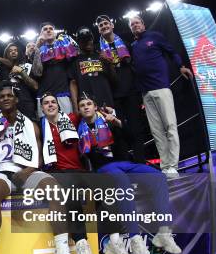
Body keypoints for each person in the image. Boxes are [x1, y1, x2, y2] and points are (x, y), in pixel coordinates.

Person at [0, 82, 75, 254]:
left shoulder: (31, 124)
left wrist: (28, 170)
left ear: (16, 99)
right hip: (2, 171)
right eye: (2, 97)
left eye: (9, 95)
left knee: (54, 189)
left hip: (27, 172)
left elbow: (39, 159)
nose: (6, 98)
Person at [76, 94, 182, 254]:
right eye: (82, 105)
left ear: (96, 107)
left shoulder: (109, 121)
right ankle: (135, 239)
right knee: (122, 183)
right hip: (104, 169)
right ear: (79, 110)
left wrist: (117, 122)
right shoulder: (78, 128)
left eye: (89, 103)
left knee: (158, 177)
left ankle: (163, 233)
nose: (86, 107)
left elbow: (133, 138)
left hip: (125, 164)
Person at [129, 16, 193, 175]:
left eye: (137, 22)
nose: (135, 25)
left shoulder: (155, 36)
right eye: (132, 24)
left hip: (161, 88)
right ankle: (166, 167)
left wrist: (181, 66)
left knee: (170, 127)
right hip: (145, 93)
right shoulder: (133, 45)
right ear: (130, 29)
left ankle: (174, 165)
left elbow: (172, 51)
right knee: (157, 132)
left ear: (143, 24)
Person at [38, 93, 96, 254]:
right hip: (58, 171)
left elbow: (88, 112)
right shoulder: (39, 126)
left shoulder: (71, 118)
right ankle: (81, 245)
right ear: (42, 108)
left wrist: (102, 112)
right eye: (46, 103)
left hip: (81, 170)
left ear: (58, 105)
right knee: (70, 194)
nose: (50, 105)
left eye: (53, 102)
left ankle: (117, 240)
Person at [96, 15, 146, 163]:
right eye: (101, 25)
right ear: (99, 30)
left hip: (131, 92)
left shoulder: (126, 43)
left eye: (106, 23)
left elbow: (135, 67)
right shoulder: (99, 50)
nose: (104, 26)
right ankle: (124, 165)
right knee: (118, 130)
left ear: (112, 25)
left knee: (136, 129)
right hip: (114, 96)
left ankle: (141, 164)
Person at [69, 26, 116, 111]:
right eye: (83, 40)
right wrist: (75, 108)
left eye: (89, 39)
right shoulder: (74, 61)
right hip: (86, 106)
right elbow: (73, 84)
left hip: (106, 103)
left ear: (92, 39)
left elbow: (114, 80)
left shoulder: (102, 56)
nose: (87, 42)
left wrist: (109, 64)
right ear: (79, 42)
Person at [4, 42, 42, 122]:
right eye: (10, 51)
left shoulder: (27, 66)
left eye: (15, 50)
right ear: (6, 54)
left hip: (26, 104)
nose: (13, 52)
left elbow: (35, 86)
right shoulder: (2, 69)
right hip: (8, 106)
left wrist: (22, 72)